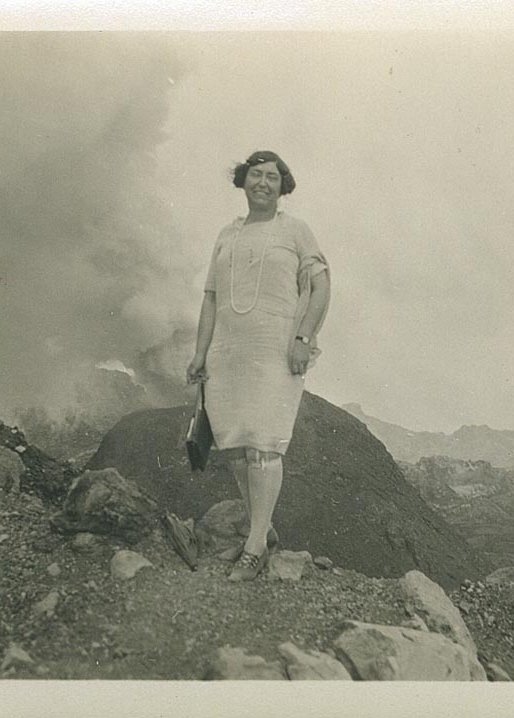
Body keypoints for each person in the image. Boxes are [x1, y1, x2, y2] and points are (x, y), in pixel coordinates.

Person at [186, 150, 331, 581]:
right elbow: (211, 297)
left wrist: (303, 338)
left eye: (271, 177)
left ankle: (253, 548)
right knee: (234, 444)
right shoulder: (226, 235)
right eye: (255, 175)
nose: (262, 183)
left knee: (265, 443)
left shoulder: (295, 231)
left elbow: (322, 286)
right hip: (228, 352)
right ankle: (259, 534)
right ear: (243, 181)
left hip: (274, 350)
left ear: (282, 186)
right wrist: (200, 352)